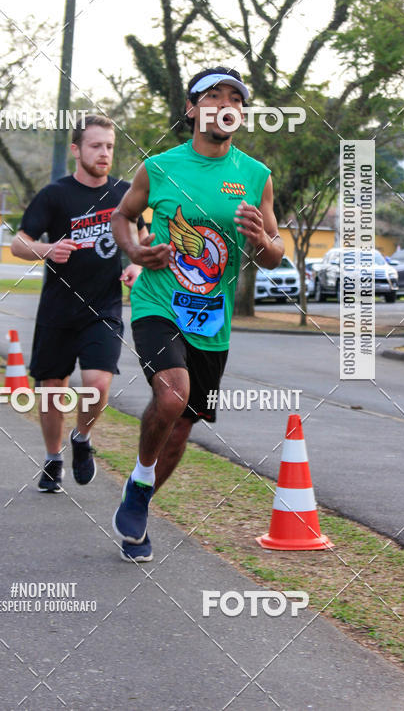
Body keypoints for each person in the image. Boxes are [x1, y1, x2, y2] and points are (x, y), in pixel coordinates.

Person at [111, 67, 284, 562]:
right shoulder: (159, 167)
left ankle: (140, 493)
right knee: (172, 394)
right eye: (213, 96)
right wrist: (135, 252)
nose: (225, 104)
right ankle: (142, 479)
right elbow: (123, 216)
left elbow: (275, 254)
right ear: (192, 109)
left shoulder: (256, 176)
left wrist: (261, 238)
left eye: (235, 99)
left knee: (183, 427)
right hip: (158, 302)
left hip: (211, 319)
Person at [11, 115, 148, 494]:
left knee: (97, 384)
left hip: (103, 308)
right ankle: (53, 458)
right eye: (95, 146)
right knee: (51, 389)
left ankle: (82, 437)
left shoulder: (124, 193)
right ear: (76, 149)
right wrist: (47, 249)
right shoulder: (55, 195)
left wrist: (136, 264)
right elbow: (19, 243)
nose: (104, 153)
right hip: (57, 311)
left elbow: (144, 237)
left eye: (109, 147)